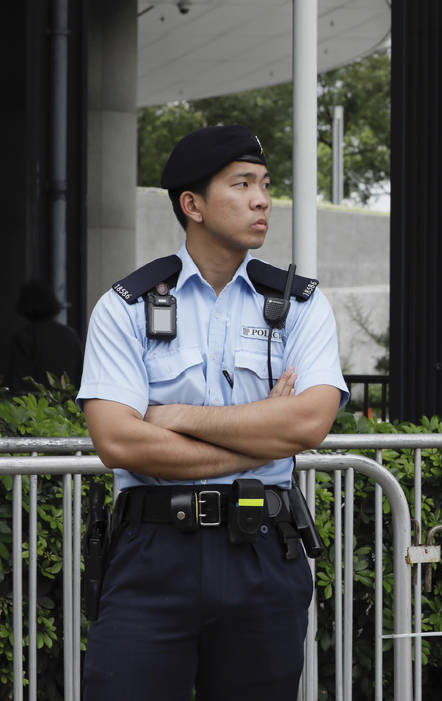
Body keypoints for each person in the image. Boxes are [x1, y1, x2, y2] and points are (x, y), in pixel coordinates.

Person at [76, 125, 348, 701]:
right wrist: (261, 431)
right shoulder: (125, 307)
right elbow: (120, 444)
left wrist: (173, 416)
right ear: (191, 205)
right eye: (242, 183)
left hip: (263, 552)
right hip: (153, 554)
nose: (261, 200)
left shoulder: (300, 306)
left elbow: (308, 423)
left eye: (265, 184)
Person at [4, 279, 83, 393]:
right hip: (68, 405)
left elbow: (16, 382)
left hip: (34, 407)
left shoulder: (25, 337)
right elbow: (81, 375)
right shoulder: (70, 335)